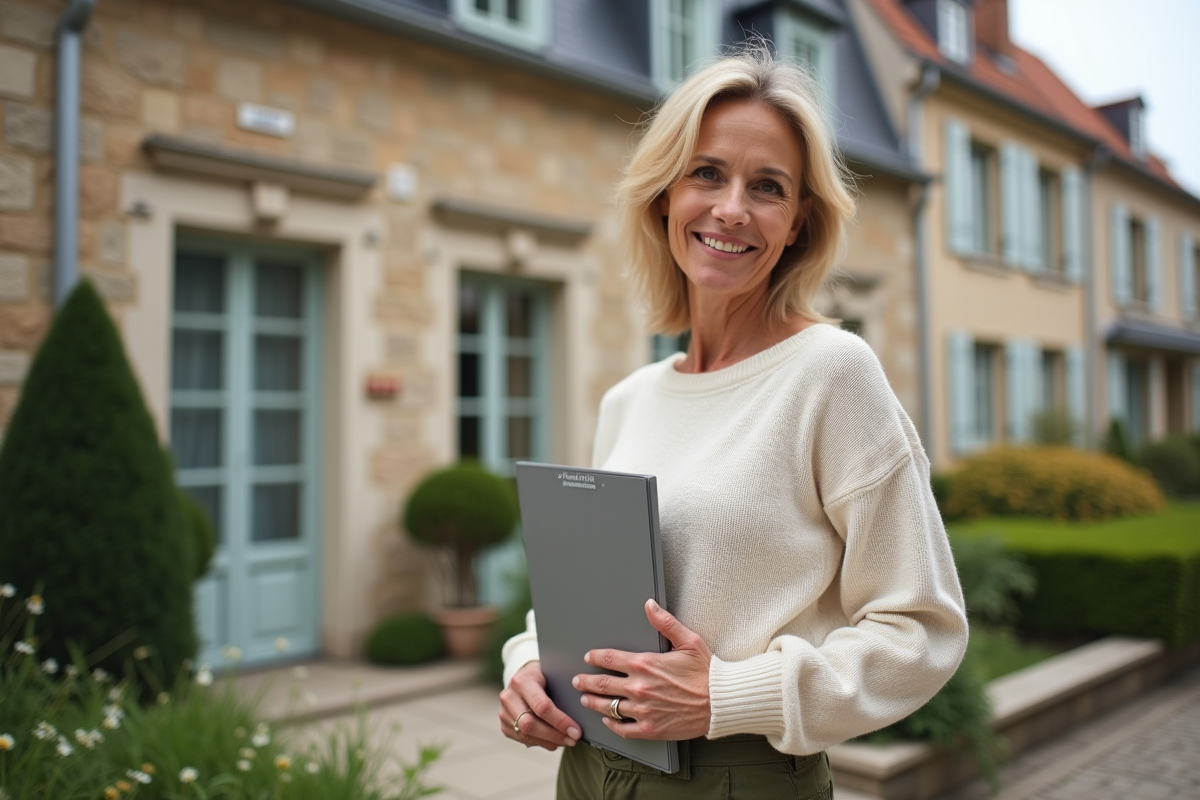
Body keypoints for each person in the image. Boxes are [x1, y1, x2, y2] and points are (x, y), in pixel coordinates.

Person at [498, 43, 968, 799]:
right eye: (707, 173)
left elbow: (923, 630)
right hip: (586, 769)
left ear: (797, 225)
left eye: (768, 187)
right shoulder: (630, 399)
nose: (731, 208)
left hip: (738, 778)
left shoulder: (831, 372)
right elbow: (587, 595)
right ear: (664, 196)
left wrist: (725, 695)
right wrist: (527, 662)